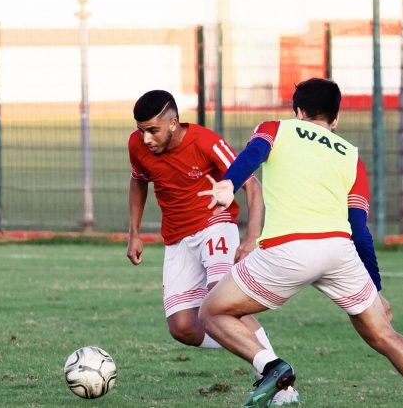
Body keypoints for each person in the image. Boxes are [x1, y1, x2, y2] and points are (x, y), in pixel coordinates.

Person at [197, 78, 403, 408]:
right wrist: (375, 288)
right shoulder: (351, 156)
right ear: (335, 119)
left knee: (212, 312)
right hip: (339, 251)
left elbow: (254, 153)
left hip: (289, 249)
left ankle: (271, 365)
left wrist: (228, 183)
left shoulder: (276, 128)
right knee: (385, 335)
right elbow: (359, 229)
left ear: (298, 111)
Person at [126, 89, 300, 405]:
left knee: (221, 303)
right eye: (141, 130)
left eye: (153, 130)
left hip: (215, 226)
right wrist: (134, 232)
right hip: (177, 239)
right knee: (183, 328)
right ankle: (252, 343)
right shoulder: (137, 145)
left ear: (173, 123)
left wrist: (251, 238)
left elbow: (252, 186)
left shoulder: (206, 142)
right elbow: (138, 180)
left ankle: (280, 381)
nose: (146, 138)